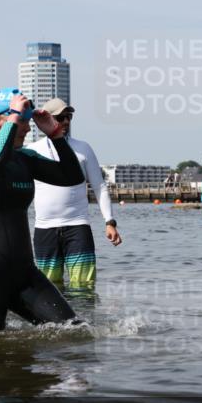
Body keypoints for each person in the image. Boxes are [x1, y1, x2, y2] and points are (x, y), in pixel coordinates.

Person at [0, 87, 85, 331]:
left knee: (76, 330)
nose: (27, 128)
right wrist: (15, 117)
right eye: (23, 122)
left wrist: (56, 136)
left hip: (24, 274)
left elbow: (72, 176)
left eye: (27, 121)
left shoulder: (23, 158)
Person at [26, 98, 121, 288]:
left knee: (84, 287)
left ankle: (84, 310)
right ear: (47, 120)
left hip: (77, 226)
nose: (66, 121)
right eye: (60, 117)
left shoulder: (83, 149)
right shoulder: (32, 150)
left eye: (68, 117)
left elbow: (99, 187)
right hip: (44, 229)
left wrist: (109, 222)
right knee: (48, 289)